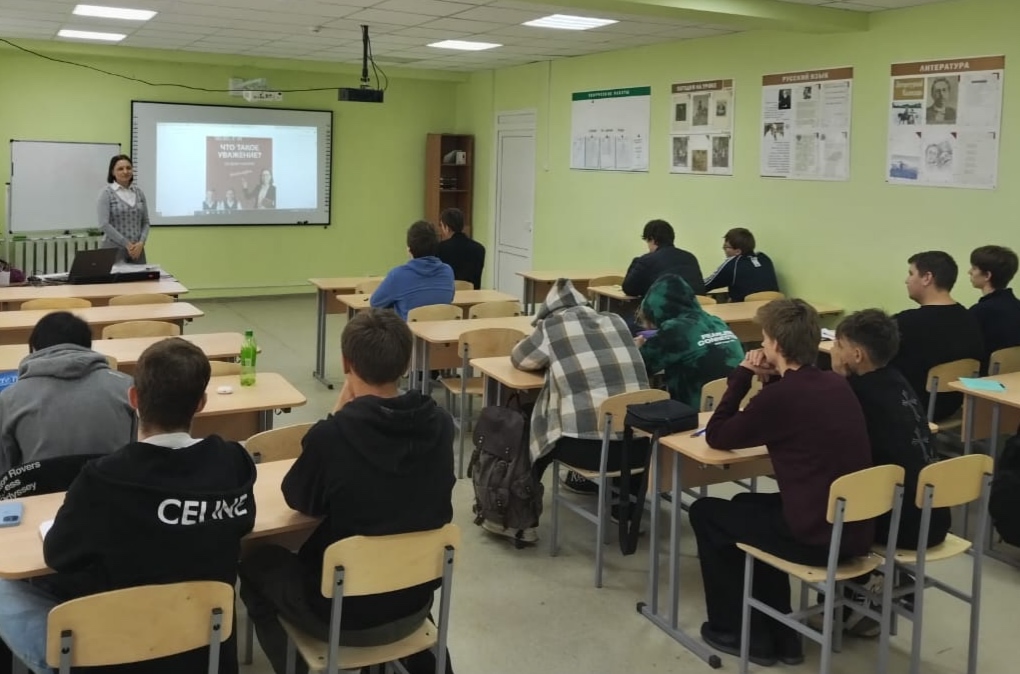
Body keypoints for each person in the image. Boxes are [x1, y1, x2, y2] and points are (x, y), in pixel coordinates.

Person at [0, 338, 256, 674]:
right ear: (201, 403)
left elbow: (58, 555)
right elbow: (244, 524)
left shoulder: (103, 479)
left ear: (133, 398)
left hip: (118, 656)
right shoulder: (234, 462)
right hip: (206, 649)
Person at [239, 309, 455, 674]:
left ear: (345, 363)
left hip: (341, 614)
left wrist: (336, 415)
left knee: (256, 563)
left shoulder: (333, 437)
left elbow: (299, 497)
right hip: (415, 603)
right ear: (407, 365)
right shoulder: (441, 424)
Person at [690, 299, 873, 666]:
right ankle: (781, 634)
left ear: (774, 343)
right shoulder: (835, 384)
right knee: (744, 505)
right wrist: (773, 378)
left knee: (705, 512)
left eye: (763, 338)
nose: (761, 344)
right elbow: (790, 410)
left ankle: (740, 632)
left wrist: (743, 375)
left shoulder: (781, 397)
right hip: (853, 527)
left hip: (817, 537)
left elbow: (718, 435)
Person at [511, 279, 650, 499]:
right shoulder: (616, 321)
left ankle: (522, 500)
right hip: (641, 449)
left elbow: (520, 359)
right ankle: (624, 503)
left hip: (590, 453)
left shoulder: (551, 326)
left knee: (530, 419)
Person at [831, 309, 950, 549]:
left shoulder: (854, 394)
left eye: (839, 345)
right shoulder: (897, 380)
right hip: (934, 518)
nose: (833, 350)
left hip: (899, 526)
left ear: (856, 355)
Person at [0, 312, 135, 475]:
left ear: (33, 349)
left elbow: (4, 470)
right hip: (113, 486)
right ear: (87, 347)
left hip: (39, 489)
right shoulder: (127, 388)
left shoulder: (8, 399)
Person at [890, 251, 984, 421]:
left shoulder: (906, 322)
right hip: (954, 404)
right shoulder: (969, 317)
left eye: (911, 273)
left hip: (912, 405)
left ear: (927, 278)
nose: (906, 280)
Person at [634, 274, 743, 408]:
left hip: (699, 409)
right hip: (737, 402)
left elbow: (639, 368)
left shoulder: (675, 329)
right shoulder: (716, 321)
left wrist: (638, 348)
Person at [370, 220, 455, 320]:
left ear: (409, 249)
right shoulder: (447, 272)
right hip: (442, 329)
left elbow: (375, 303)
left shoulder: (398, 275)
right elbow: (450, 298)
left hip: (409, 330)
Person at [622, 219, 705, 299]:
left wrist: (636, 261)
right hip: (696, 307)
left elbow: (629, 289)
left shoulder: (647, 260)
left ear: (652, 239)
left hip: (666, 307)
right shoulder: (690, 258)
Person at [968, 245, 1020, 370]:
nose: (969, 272)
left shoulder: (979, 312)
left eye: (974, 268)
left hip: (986, 378)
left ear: (987, 275)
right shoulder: (1017, 305)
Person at [703, 228, 780, 302]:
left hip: (745, 308)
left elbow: (705, 285)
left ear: (738, 251)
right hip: (773, 307)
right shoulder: (764, 258)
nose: (724, 250)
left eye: (726, 247)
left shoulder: (733, 263)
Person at [98, 154, 149, 263]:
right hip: (113, 251)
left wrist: (141, 243)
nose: (125, 171)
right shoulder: (106, 193)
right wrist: (127, 244)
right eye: (120, 169)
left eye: (128, 168)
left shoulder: (139, 193)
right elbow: (104, 224)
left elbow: (145, 222)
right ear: (113, 172)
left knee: (140, 275)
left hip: (137, 252)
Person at [435, 208, 485, 289]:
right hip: (472, 294)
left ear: (447, 227)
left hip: (447, 293)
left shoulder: (439, 248)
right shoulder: (480, 249)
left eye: (441, 225)